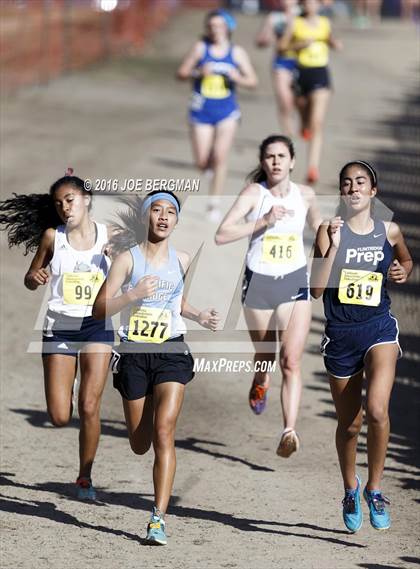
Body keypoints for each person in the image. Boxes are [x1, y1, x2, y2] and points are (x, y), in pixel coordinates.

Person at [93, 190, 219, 545]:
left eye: (170, 212)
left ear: (176, 221)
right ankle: (141, 430)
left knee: (165, 430)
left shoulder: (181, 259)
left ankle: (158, 518)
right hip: (133, 354)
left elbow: (177, 300)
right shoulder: (126, 260)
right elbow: (99, 309)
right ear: (145, 217)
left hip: (171, 351)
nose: (163, 216)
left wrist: (199, 315)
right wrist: (132, 295)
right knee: (139, 442)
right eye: (156, 210)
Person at [310, 160, 412, 532]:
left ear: (373, 191)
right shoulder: (327, 230)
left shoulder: (389, 229)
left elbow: (405, 260)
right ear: (342, 192)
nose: (353, 188)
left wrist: (404, 270)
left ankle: (375, 489)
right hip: (340, 335)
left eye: (361, 182)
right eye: (347, 183)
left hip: (378, 328)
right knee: (350, 425)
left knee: (377, 410)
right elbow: (317, 290)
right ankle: (350, 488)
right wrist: (334, 247)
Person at [0, 169, 114, 500]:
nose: (65, 207)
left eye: (70, 199)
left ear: (87, 200)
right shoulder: (53, 237)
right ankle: (70, 382)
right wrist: (34, 278)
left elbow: (131, 275)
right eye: (59, 202)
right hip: (59, 328)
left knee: (90, 406)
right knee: (60, 417)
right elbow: (29, 277)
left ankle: (84, 477)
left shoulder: (111, 236)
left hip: (96, 327)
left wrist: (119, 259)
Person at [215, 135, 321, 457]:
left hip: (293, 281)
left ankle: (289, 430)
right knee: (266, 355)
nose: (275, 161)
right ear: (263, 162)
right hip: (258, 282)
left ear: (292, 162)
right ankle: (260, 380)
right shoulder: (254, 194)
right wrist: (263, 221)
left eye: (281, 156)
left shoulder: (306, 194)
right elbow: (222, 234)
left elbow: (321, 231)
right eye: (270, 157)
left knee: (290, 360)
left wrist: (333, 229)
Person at [177, 9, 258, 222]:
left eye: (219, 25)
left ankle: (214, 203)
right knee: (202, 161)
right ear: (207, 29)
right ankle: (207, 167)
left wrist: (237, 77)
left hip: (227, 112)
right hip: (201, 111)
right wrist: (197, 73)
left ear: (228, 28)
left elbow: (253, 81)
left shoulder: (236, 52)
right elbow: (181, 73)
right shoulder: (200, 49)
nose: (215, 30)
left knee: (220, 156)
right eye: (211, 26)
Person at [279, 0, 342, 184]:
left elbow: (331, 41)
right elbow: (282, 47)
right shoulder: (295, 23)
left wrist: (335, 43)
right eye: (307, 2)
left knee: (317, 122)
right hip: (300, 72)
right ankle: (305, 125)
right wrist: (299, 45)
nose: (311, 5)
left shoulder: (325, 22)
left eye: (314, 2)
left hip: (320, 73)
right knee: (304, 113)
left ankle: (313, 167)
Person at [255, 0, 300, 137]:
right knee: (284, 98)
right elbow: (260, 41)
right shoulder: (274, 17)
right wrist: (265, 39)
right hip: (281, 61)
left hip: (302, 61)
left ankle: (301, 120)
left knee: (299, 100)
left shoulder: (302, 13)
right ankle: (287, 132)